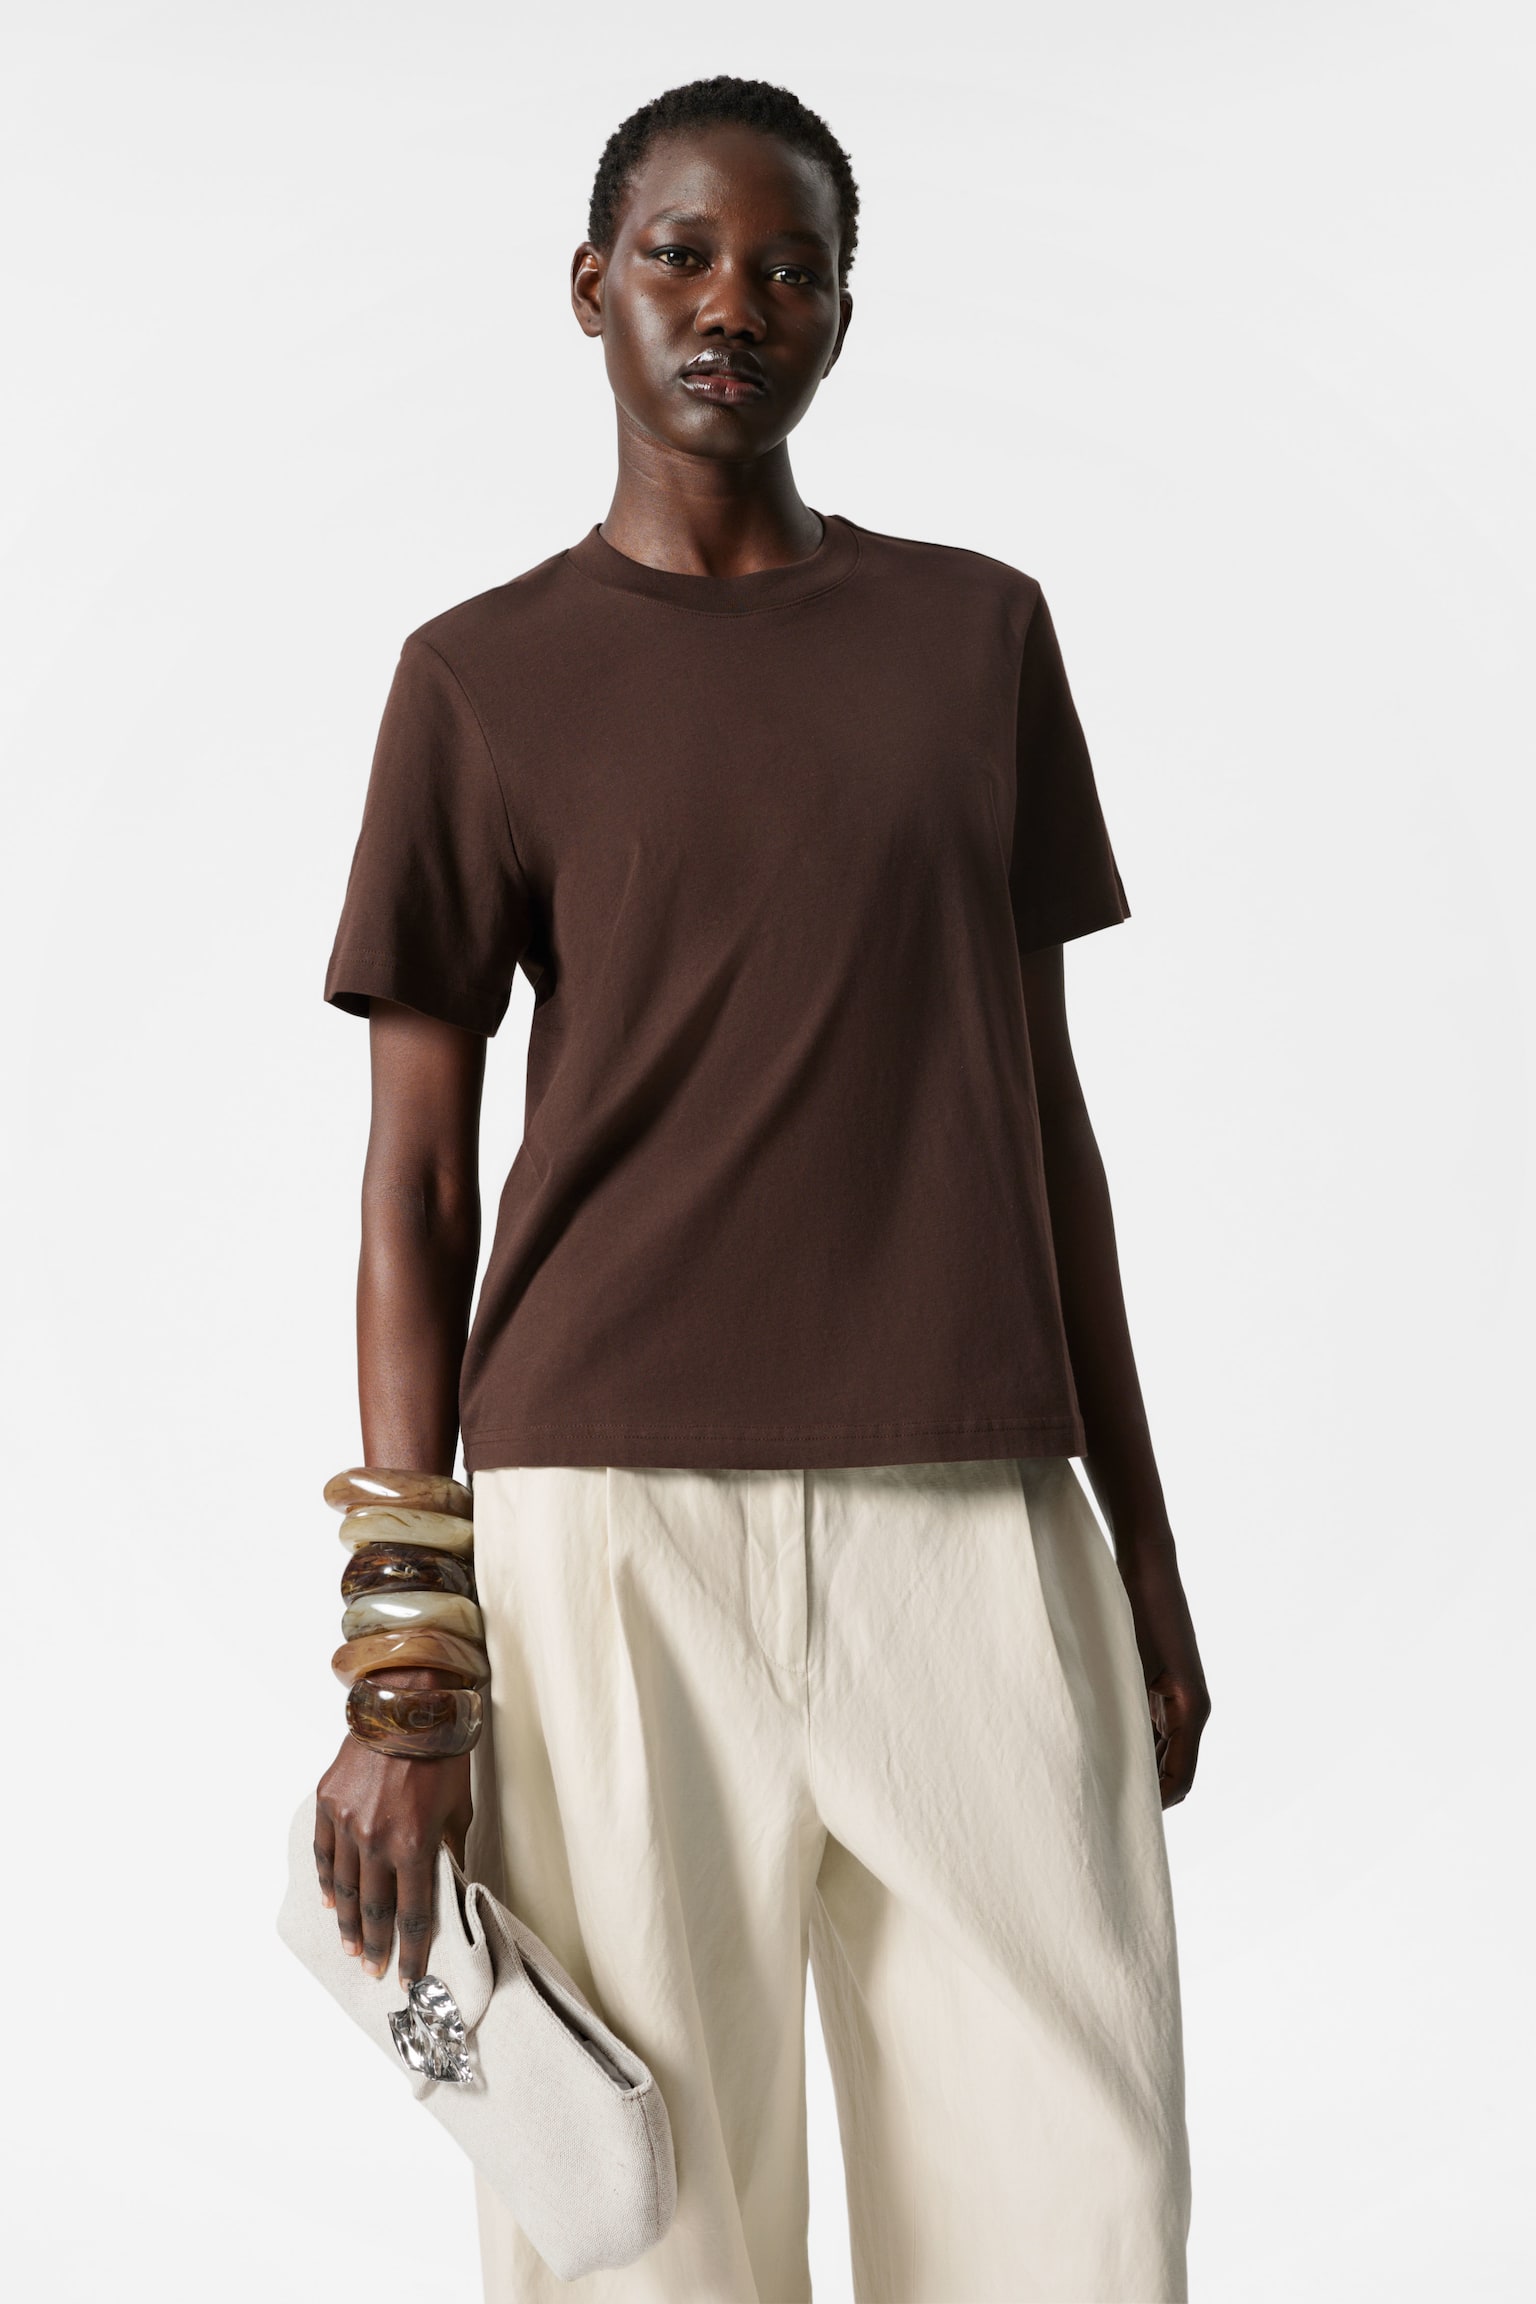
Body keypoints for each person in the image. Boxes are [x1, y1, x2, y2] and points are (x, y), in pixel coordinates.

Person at [312, 71, 1210, 2304]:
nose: (738, 302)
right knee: (637, 2228)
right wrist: (404, 1655)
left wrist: (1143, 1544)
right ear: (591, 286)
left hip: (972, 1510)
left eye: (793, 266)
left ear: (842, 314)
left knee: (1077, 2206)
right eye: (686, 255)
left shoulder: (978, 641)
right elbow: (414, 1185)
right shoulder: (479, 681)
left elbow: (1045, 1116)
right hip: (607, 1533)